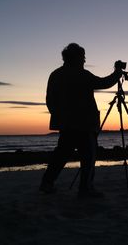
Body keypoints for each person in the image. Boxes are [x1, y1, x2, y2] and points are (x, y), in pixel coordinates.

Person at [39, 43, 123, 198]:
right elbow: (102, 83)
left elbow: (49, 99)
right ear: (76, 58)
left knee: (60, 156)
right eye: (83, 57)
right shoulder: (81, 74)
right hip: (84, 125)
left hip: (66, 125)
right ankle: (85, 189)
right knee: (88, 157)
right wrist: (117, 73)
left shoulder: (56, 74)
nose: (84, 60)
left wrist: (59, 116)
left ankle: (47, 184)